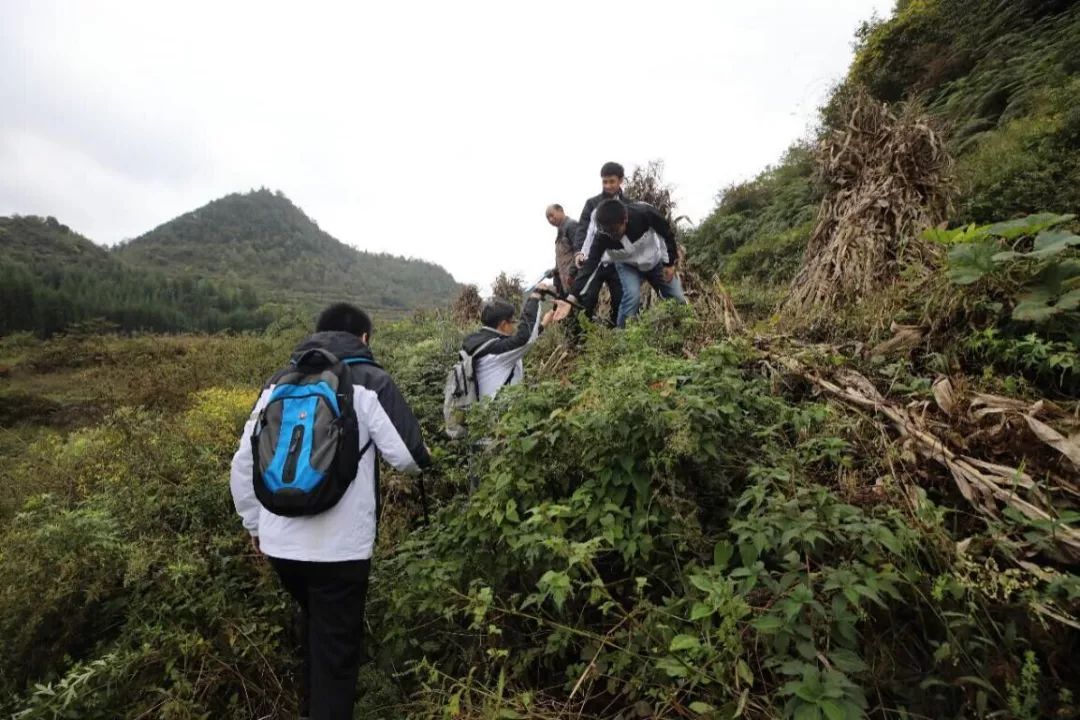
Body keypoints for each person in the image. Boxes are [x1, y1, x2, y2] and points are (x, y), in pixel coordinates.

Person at [229, 302, 431, 720]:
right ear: (364, 338)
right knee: (336, 658)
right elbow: (410, 458)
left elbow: (241, 465)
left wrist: (254, 525)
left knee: (317, 634)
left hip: (281, 546)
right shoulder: (370, 381)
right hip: (340, 551)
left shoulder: (277, 383)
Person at [568, 198, 686, 327]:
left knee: (677, 297)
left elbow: (666, 234)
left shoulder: (644, 214)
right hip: (627, 266)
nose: (612, 236)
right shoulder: (602, 237)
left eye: (615, 230)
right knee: (632, 297)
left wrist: (669, 264)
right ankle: (623, 338)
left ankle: (686, 326)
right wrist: (572, 296)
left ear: (625, 219)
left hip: (655, 261)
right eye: (607, 232)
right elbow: (589, 266)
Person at [462, 289, 565, 399]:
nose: (514, 326)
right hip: (499, 412)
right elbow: (524, 339)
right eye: (512, 322)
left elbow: (515, 343)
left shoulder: (480, 342)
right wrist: (535, 296)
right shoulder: (495, 351)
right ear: (503, 324)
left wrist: (543, 324)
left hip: (484, 410)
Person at [571, 161, 626, 326]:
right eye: (604, 181)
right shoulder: (592, 204)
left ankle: (619, 336)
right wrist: (579, 252)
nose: (608, 185)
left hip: (618, 261)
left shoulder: (628, 204)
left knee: (621, 298)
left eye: (612, 181)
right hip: (593, 260)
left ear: (621, 180)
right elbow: (583, 229)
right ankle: (579, 340)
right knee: (586, 299)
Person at [545, 203, 579, 297]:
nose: (550, 219)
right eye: (548, 218)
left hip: (576, 280)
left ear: (561, 210)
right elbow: (563, 260)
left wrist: (572, 274)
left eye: (552, 215)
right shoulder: (560, 233)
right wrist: (553, 272)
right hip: (566, 284)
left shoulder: (571, 225)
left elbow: (580, 251)